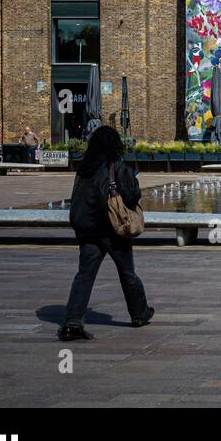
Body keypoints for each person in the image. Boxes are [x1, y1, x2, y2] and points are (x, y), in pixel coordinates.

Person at [60, 125, 153, 340]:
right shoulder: (116, 166)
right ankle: (139, 313)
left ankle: (73, 321)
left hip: (88, 230)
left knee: (84, 276)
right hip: (113, 229)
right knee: (127, 273)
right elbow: (131, 196)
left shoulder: (84, 168)